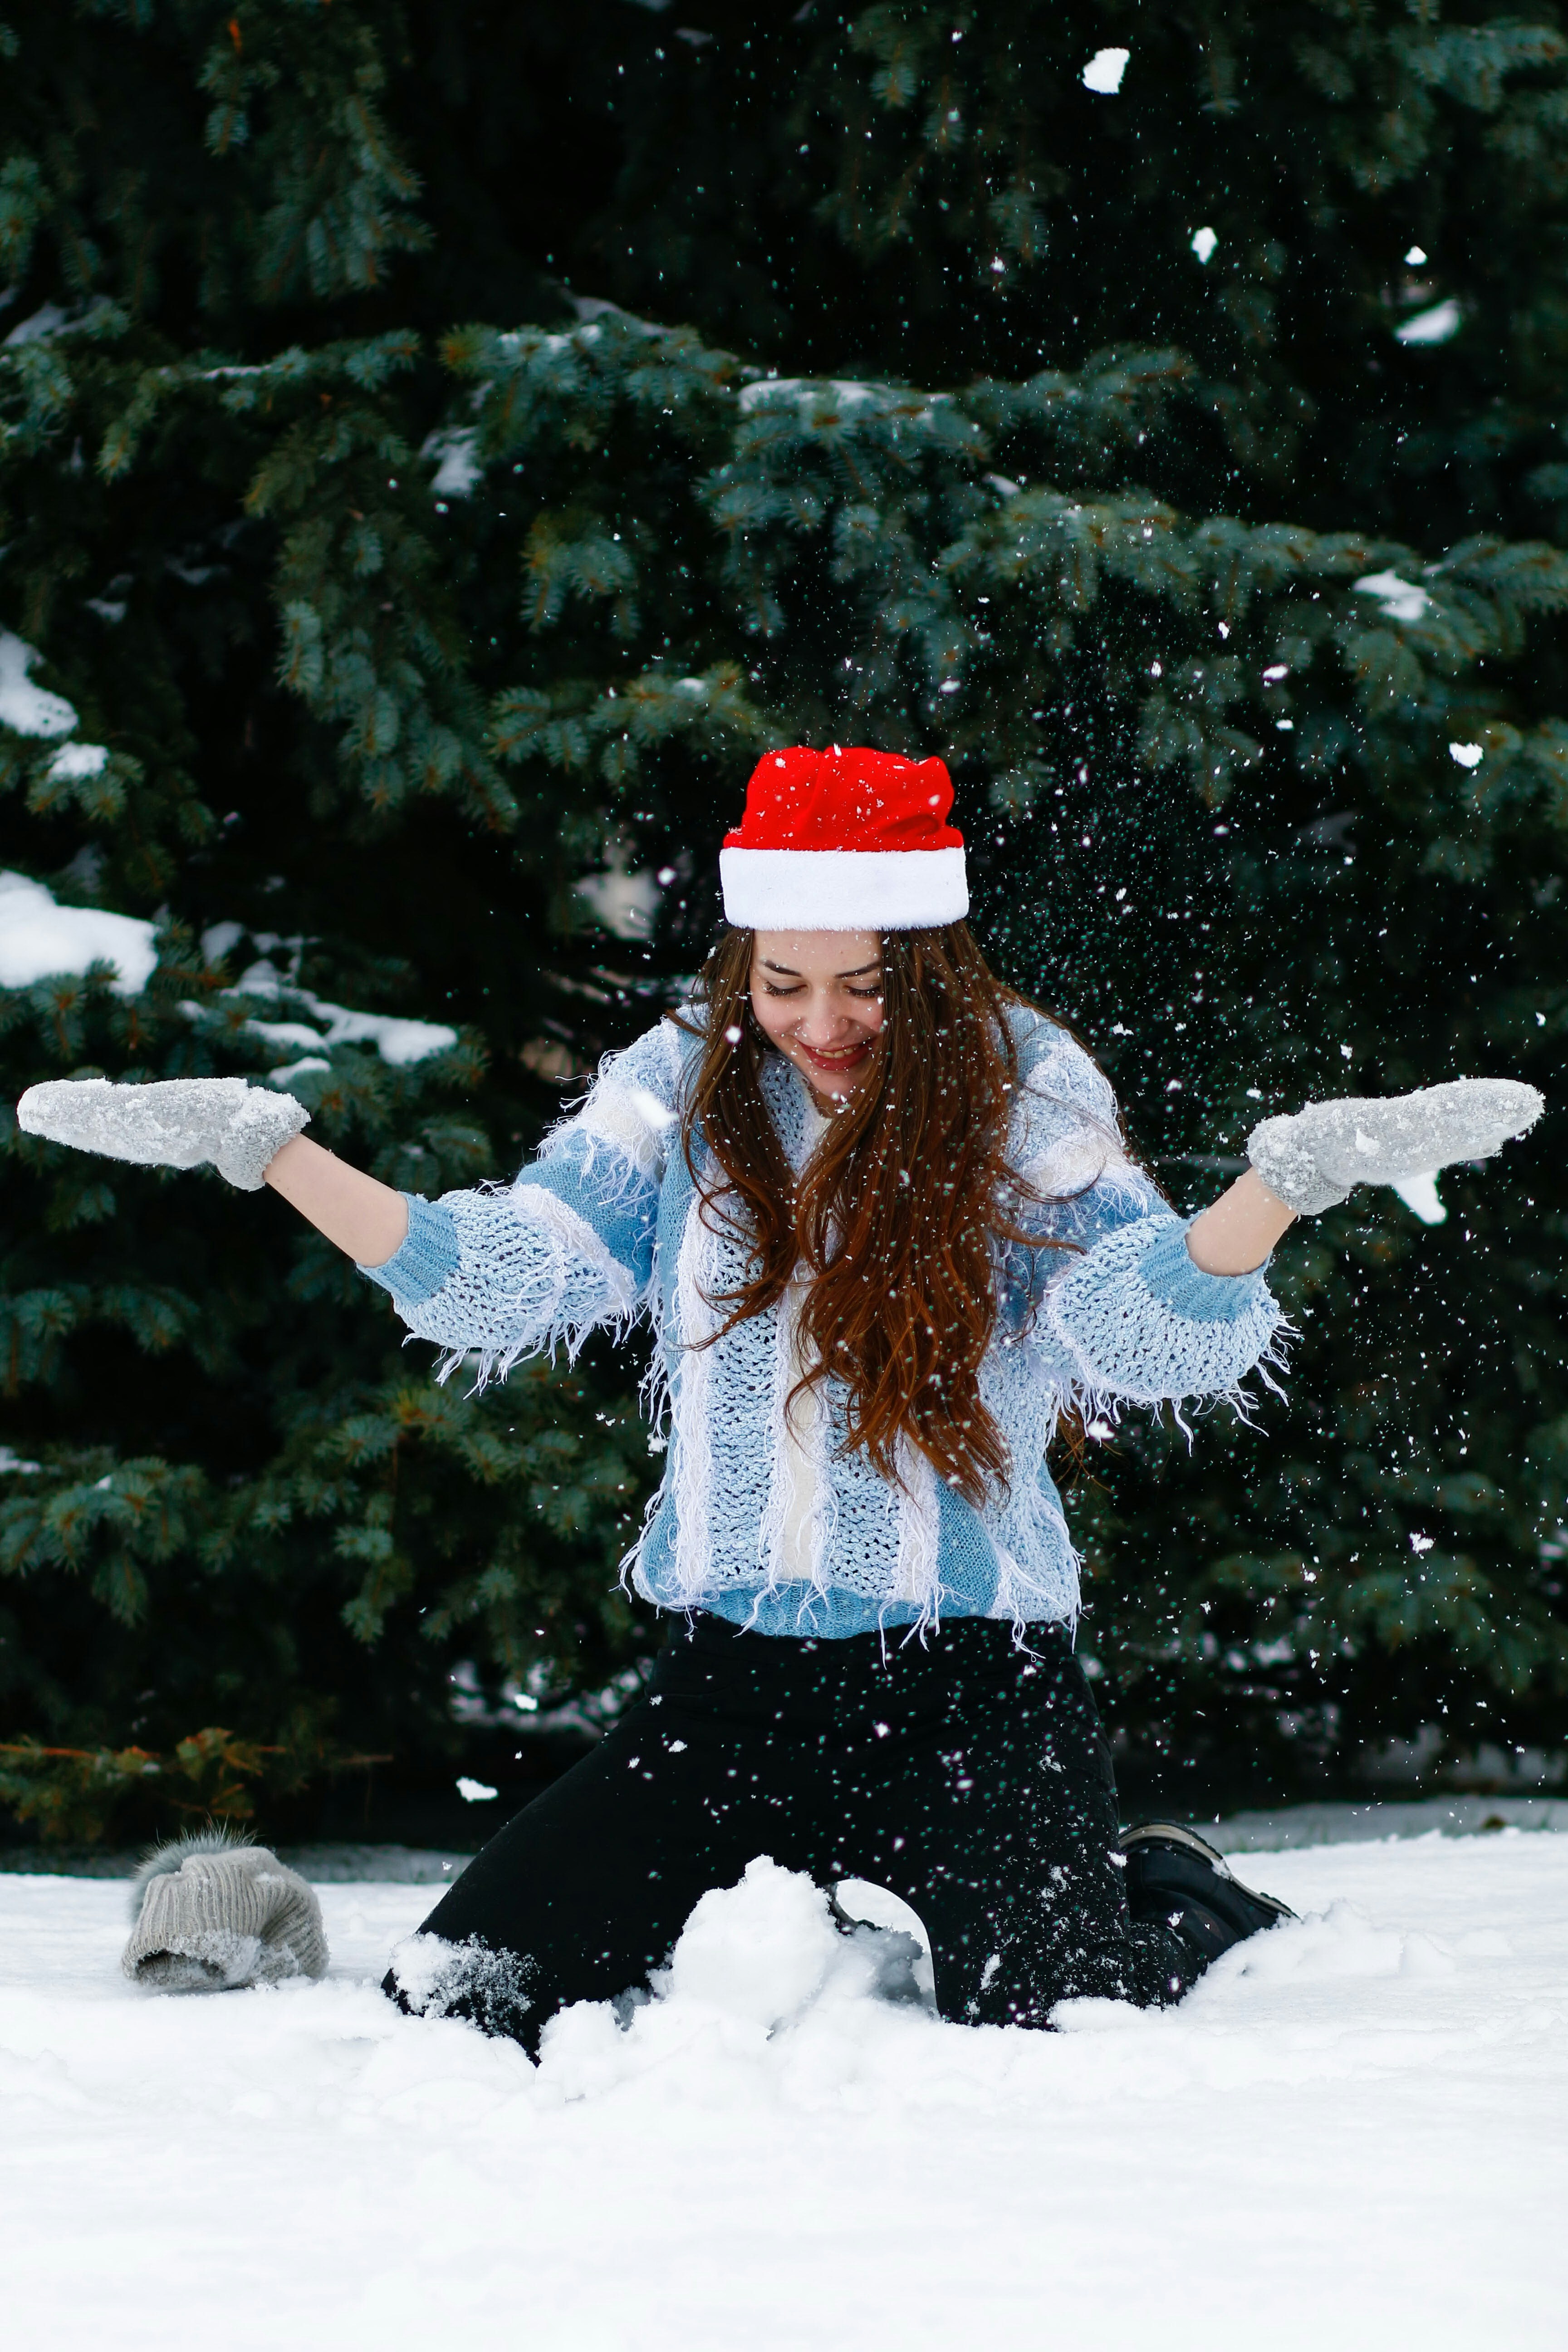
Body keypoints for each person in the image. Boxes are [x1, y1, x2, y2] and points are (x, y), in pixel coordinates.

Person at [20, 745, 1541, 2045]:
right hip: (732, 1689)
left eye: (865, 987)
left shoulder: (1025, 1085)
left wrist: (1281, 1189)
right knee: (464, 1999)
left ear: (928, 967)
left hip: (972, 1689)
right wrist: (271, 1154)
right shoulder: (683, 1076)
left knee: (1055, 2011)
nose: (820, 1024)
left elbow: (1141, 1334)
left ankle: (1161, 1880)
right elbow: (512, 1271)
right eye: (785, 982)